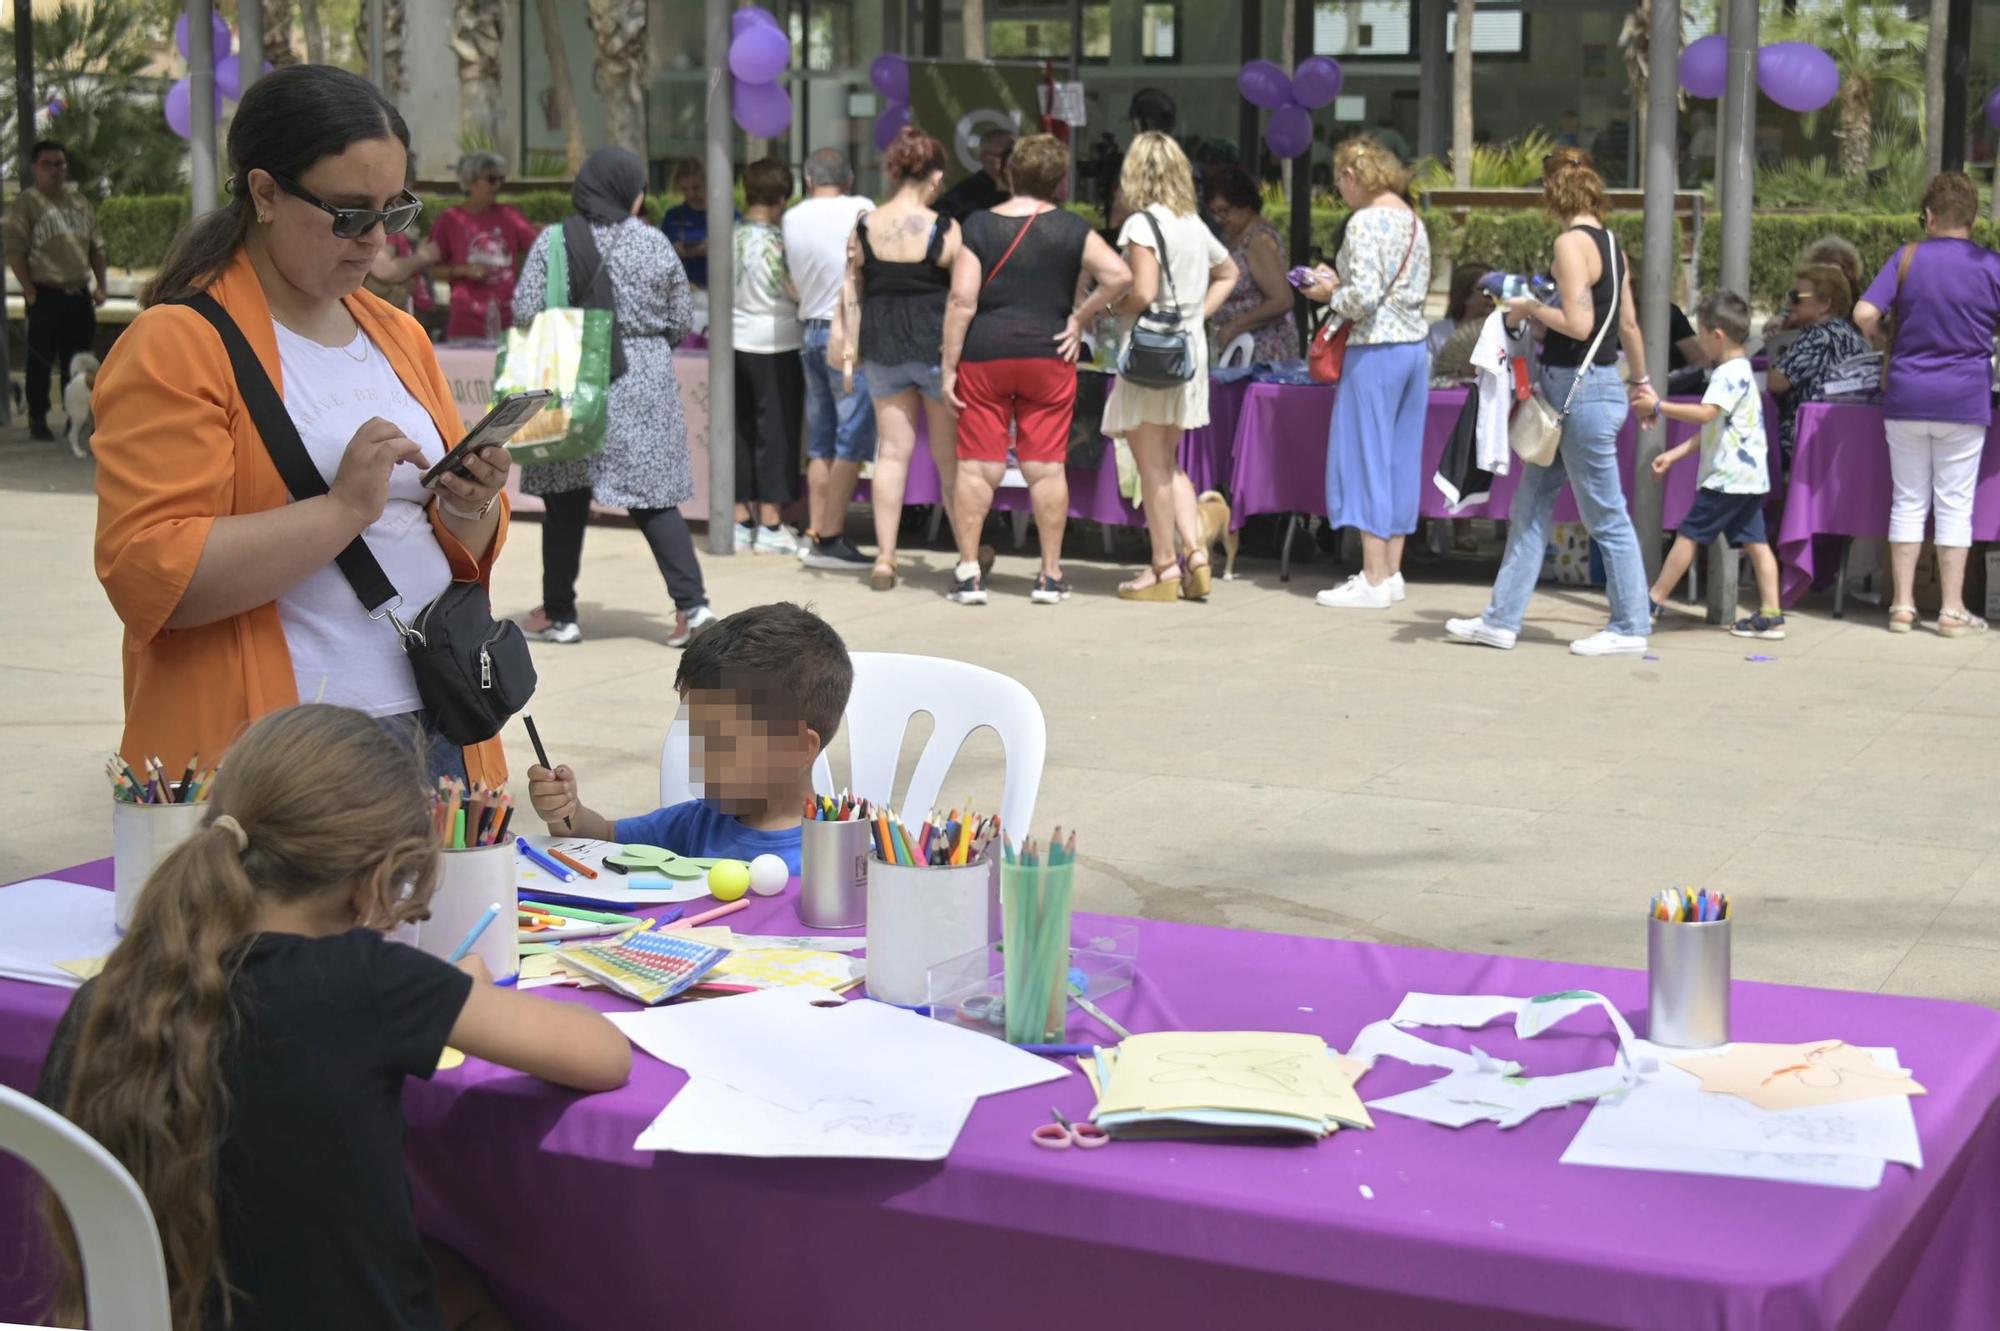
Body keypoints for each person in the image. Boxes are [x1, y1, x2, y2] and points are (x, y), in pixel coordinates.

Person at [37, 703, 630, 1331]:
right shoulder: (368, 981)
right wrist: (461, 992)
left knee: (448, 1273)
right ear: (378, 876)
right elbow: (602, 1055)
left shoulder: (108, 996)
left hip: (159, 1311)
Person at [93, 65, 514, 785]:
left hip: (437, 721)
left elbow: (457, 554)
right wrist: (343, 509)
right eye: (349, 214)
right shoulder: (179, 341)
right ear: (264, 193)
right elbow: (153, 572)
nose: (376, 241)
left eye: (394, 211)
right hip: (285, 752)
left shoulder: (397, 334)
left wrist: (471, 500)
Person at [1445, 147, 1657, 657]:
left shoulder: (1569, 244)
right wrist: (1643, 381)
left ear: (1552, 192)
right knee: (1531, 507)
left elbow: (1580, 325)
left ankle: (1630, 625)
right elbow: (1626, 324)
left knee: (1604, 514)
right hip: (1598, 386)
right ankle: (1500, 620)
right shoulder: (1612, 246)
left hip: (1575, 392)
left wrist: (1529, 306)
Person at [514, 148, 715, 650]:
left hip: (570, 374)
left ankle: (561, 615)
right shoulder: (654, 242)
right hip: (640, 378)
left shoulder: (554, 241)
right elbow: (680, 320)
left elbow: (524, 310)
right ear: (632, 192)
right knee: (653, 501)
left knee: (564, 501)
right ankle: (692, 608)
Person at [941, 134, 1130, 605]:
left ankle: (968, 573)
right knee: (1045, 469)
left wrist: (948, 365)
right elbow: (1120, 276)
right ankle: (1048, 575)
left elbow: (962, 300)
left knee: (976, 466)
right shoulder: (1073, 228)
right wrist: (1080, 318)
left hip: (985, 354)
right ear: (1059, 181)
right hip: (1050, 353)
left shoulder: (979, 226)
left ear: (1009, 174)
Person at [526, 602, 853, 874]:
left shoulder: (848, 854)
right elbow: (602, 835)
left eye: (722, 742)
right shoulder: (694, 824)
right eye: (697, 736)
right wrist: (567, 810)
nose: (700, 758)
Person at [1854, 171, 2000, 636]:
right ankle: (1952, 610)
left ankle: (1901, 605)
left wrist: (1881, 339)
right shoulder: (1990, 265)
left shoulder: (1907, 256)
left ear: (1930, 217)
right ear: (1973, 221)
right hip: (1964, 395)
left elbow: (1863, 313)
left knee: (1908, 500)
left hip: (1907, 393)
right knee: (1955, 504)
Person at [1299, 137, 1433, 609]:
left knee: (1364, 457)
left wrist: (1326, 292)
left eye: (1339, 181)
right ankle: (1390, 571)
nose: (1340, 190)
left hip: (1375, 348)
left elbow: (1363, 297)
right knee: (1399, 461)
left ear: (1354, 176)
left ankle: (1373, 576)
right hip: (1415, 347)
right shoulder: (1413, 221)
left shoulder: (1363, 222)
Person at [1105, 132, 1236, 602]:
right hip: (1187, 353)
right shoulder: (1192, 223)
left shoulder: (1142, 225)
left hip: (1150, 356)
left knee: (1151, 465)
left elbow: (1141, 290)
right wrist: (1196, 315)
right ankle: (1196, 555)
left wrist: (1109, 309)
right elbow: (1229, 272)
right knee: (1171, 462)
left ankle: (1163, 566)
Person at [836, 127, 964, 590]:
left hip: (882, 345)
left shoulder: (866, 225)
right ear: (933, 177)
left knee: (890, 455)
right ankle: (967, 554)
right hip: (932, 348)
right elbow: (960, 296)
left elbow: (852, 289)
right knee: (949, 459)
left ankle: (886, 558)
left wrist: (850, 349)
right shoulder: (944, 228)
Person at [1638, 292, 1784, 640]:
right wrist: (1675, 454)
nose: (1698, 341)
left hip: (1726, 480)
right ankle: (1771, 613)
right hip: (1748, 479)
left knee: (1688, 536)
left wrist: (1660, 406)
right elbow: (1716, 428)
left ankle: (1653, 601)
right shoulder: (1745, 371)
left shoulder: (1725, 375)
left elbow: (1705, 415)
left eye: (1701, 333)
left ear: (1716, 335)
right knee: (1757, 543)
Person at [783, 148, 878, 570]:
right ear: (850, 178)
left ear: (807, 180)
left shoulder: (792, 217)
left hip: (810, 330)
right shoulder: (861, 209)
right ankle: (831, 537)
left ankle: (815, 530)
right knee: (850, 441)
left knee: (820, 442)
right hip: (848, 332)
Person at [5, 139, 108, 441]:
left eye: (60, 164)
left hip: (78, 293)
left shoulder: (79, 203)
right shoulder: (27, 204)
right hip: (45, 292)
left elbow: (96, 247)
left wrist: (100, 284)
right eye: (48, 164)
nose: (55, 170)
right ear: (36, 167)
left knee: (77, 362)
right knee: (40, 360)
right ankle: (38, 417)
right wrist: (29, 290)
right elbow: (14, 251)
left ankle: (75, 418)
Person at [731, 158, 807, 553]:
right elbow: (795, 290)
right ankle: (773, 523)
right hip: (777, 340)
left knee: (740, 430)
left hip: (735, 339)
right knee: (776, 432)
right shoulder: (780, 243)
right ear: (781, 198)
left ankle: (741, 518)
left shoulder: (729, 237)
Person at [427, 150, 538, 342]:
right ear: (470, 182)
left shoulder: (509, 216)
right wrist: (463, 271)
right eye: (492, 179)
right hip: (466, 321)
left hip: (507, 320)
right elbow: (431, 269)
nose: (498, 185)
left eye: (501, 179)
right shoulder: (450, 220)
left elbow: (540, 247)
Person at [1767, 263, 1868, 462]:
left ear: (1824, 304)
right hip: (1844, 437)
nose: (1790, 304)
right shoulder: (1850, 334)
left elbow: (1776, 383)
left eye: (1797, 298)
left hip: (1806, 436)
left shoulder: (1817, 336)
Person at [1206, 165, 1298, 366]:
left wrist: (1235, 326)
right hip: (1237, 346)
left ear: (1245, 204)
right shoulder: (1235, 236)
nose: (1218, 219)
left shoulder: (1258, 240)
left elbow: (1282, 300)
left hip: (1262, 349)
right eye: (1213, 212)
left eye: (1224, 211)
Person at [660, 159, 728, 290]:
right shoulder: (673, 215)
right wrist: (675, 250)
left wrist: (716, 249)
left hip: (718, 289)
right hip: (683, 288)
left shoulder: (725, 214)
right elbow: (659, 254)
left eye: (696, 188)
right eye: (685, 189)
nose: (691, 194)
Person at [1429, 261, 1494, 379]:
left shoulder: (1505, 333)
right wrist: (1460, 372)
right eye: (1487, 292)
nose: (1493, 298)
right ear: (1466, 296)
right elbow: (1427, 378)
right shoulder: (1437, 333)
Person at [936, 128, 1015, 223]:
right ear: (984, 158)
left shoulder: (1028, 189)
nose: (1012, 161)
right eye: (1005, 155)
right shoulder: (964, 194)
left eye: (1016, 154)